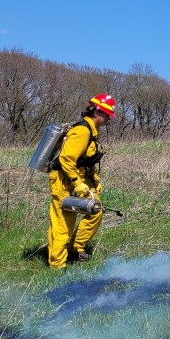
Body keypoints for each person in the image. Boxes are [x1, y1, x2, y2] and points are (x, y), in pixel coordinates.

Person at [47, 93, 115, 269]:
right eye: (107, 115)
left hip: (78, 180)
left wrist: (95, 181)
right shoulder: (82, 131)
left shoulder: (93, 131)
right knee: (63, 226)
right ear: (98, 112)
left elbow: (86, 160)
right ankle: (57, 266)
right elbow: (66, 159)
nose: (109, 119)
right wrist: (77, 183)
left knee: (96, 210)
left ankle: (76, 248)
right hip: (64, 182)